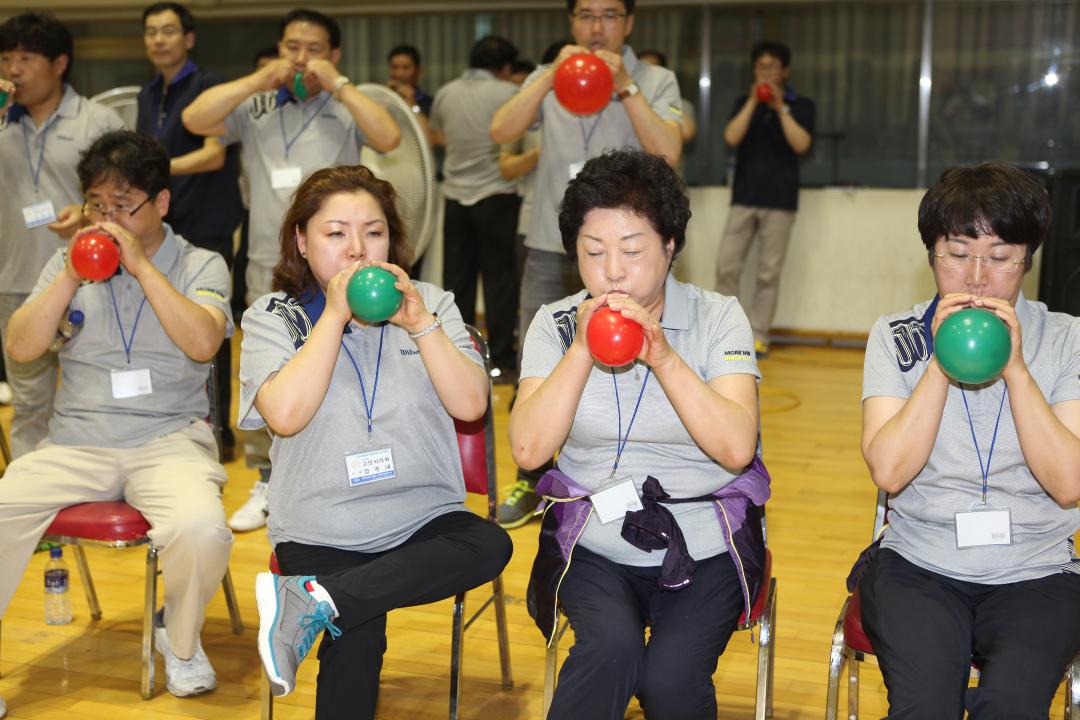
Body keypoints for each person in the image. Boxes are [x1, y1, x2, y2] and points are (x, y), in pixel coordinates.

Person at [241, 165, 513, 719]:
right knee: (358, 639)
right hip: (322, 525)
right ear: (302, 239)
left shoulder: (432, 301)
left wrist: (421, 324)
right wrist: (335, 317)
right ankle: (329, 601)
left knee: (491, 544)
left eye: (374, 232)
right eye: (336, 233)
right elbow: (286, 415)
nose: (357, 250)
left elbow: (471, 405)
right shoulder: (273, 316)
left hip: (419, 518)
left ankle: (316, 603)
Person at [509, 149, 767, 719]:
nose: (613, 272)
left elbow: (735, 448)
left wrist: (666, 358)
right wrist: (580, 350)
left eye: (632, 250)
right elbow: (528, 449)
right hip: (594, 542)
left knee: (670, 682)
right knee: (608, 651)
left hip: (703, 541)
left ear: (670, 246)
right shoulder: (556, 322)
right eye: (593, 252)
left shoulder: (718, 316)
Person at [0, 130, 234, 705]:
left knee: (202, 529)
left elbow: (205, 342)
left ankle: (178, 645)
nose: (107, 220)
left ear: (160, 204)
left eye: (122, 206)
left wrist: (141, 267)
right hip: (76, 442)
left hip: (169, 439)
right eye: (96, 206)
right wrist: (70, 276)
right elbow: (22, 348)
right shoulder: (65, 261)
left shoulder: (202, 262)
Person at [857, 162, 1080, 719]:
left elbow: (1069, 483)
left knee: (1012, 707)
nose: (977, 277)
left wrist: (1018, 372)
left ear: (1027, 259)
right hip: (919, 563)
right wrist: (941, 363)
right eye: (957, 254)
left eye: (1000, 257)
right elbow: (889, 471)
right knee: (924, 707)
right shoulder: (896, 336)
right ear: (931, 254)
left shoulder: (1067, 338)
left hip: (1037, 568)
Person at [183, 7, 401, 532]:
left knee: (340, 367)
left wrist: (341, 84)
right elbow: (196, 120)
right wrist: (262, 76)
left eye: (314, 49)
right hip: (269, 262)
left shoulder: (347, 102)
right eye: (291, 47)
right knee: (269, 375)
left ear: (334, 55)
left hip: (339, 264)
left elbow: (390, 137)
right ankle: (267, 481)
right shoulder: (258, 102)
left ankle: (341, 467)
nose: (301, 58)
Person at [490, 0, 684, 527]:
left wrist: (626, 86)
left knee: (640, 352)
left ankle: (628, 464)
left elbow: (669, 150)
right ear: (571, 22)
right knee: (544, 359)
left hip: (626, 251)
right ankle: (532, 476)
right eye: (586, 16)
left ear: (629, 24)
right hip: (555, 244)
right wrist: (548, 77)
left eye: (610, 15)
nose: (597, 27)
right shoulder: (549, 75)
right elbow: (502, 131)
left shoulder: (655, 78)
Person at [0, 12, 124, 457]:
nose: (13, 69)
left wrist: (90, 214)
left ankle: (92, 489)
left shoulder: (97, 121)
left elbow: (130, 199)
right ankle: (31, 503)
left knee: (95, 391)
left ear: (59, 64)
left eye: (26, 58)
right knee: (30, 402)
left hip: (91, 282)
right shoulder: (2, 121)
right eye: (6, 57)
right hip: (16, 283)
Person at [137, 2, 244, 459]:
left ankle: (218, 429)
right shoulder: (147, 93)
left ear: (189, 38)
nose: (159, 40)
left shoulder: (209, 87)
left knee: (210, 332)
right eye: (151, 32)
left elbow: (213, 155)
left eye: (168, 31)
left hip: (206, 223)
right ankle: (170, 421)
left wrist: (153, 171)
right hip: (161, 227)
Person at [431, 35, 521, 382]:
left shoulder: (446, 92)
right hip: (497, 194)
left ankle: (458, 353)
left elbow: (438, 135)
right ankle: (499, 361)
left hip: (455, 197)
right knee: (500, 283)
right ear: (506, 68)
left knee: (457, 282)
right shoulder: (508, 94)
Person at [716, 41, 814, 358]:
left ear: (785, 71)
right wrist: (752, 103)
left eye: (772, 67)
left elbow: (801, 144)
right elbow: (731, 137)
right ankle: (723, 331)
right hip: (744, 196)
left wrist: (779, 107)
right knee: (726, 265)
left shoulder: (801, 105)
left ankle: (759, 334)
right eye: (761, 67)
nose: (766, 73)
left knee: (767, 274)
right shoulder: (743, 102)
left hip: (780, 200)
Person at [637, 49, 695, 143]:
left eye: (652, 70)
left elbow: (687, 132)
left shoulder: (677, 104)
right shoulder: (625, 98)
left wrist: (666, 103)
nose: (647, 76)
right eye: (642, 71)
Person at [386, 43, 432, 117]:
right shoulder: (382, 98)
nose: (399, 74)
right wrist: (386, 97)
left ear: (418, 71)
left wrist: (412, 103)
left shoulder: (428, 103)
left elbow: (426, 128)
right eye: (394, 67)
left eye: (406, 68)